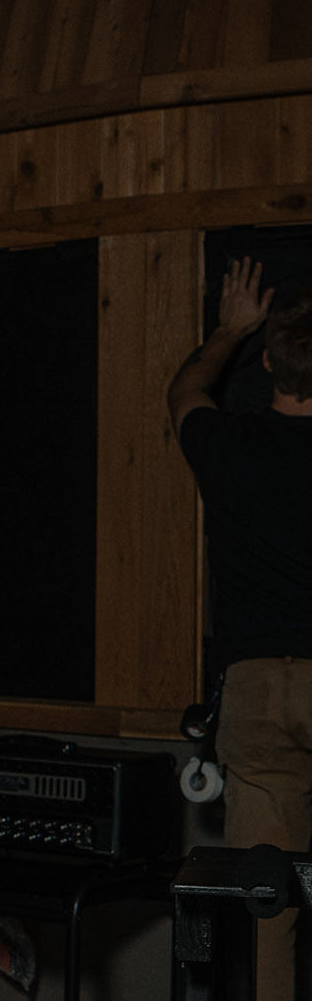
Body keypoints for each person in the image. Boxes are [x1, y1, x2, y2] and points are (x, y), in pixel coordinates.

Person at [170, 257, 312, 1001]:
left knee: (266, 906)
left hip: (255, 691)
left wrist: (228, 327)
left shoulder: (228, 447)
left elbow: (185, 390)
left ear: (268, 363)